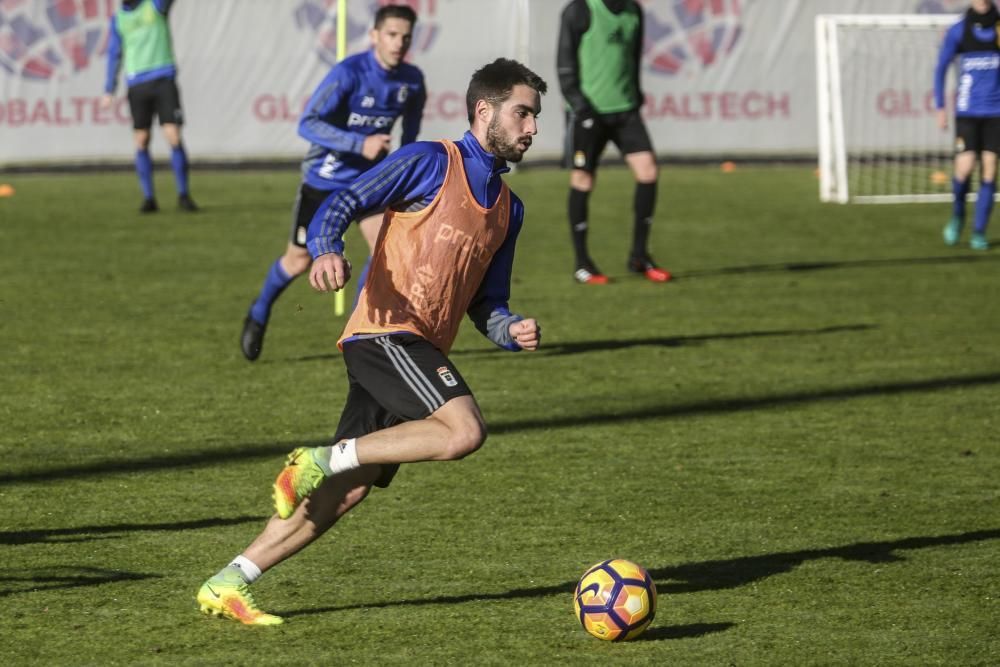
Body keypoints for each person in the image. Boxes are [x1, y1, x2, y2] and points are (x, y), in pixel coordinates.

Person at [196, 58, 546, 625]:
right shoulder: (431, 161)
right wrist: (328, 245)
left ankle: (230, 579)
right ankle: (314, 459)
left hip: (417, 349)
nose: (532, 128)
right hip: (385, 335)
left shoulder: (510, 209)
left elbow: (489, 304)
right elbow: (341, 201)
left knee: (348, 490)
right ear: (485, 111)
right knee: (464, 431)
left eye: (535, 117)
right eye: (522, 113)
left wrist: (511, 329)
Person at [240, 4, 426, 361]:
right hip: (324, 182)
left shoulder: (412, 80)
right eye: (391, 35)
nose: (399, 43)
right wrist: (360, 143)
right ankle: (259, 311)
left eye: (405, 36)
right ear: (373, 36)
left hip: (369, 184)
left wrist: (408, 173)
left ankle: (357, 333)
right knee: (297, 261)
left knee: (383, 250)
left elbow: (412, 136)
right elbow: (307, 123)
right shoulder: (348, 73)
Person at [557, 0, 670, 284]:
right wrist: (580, 106)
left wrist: (636, 92)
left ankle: (639, 255)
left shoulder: (634, 11)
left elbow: (633, 57)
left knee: (648, 171)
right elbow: (565, 65)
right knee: (582, 180)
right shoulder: (580, 10)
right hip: (588, 113)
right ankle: (582, 263)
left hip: (625, 111)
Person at [102, 0, 197, 213]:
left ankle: (183, 194)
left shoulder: (154, 7)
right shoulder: (118, 19)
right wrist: (109, 88)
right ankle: (149, 198)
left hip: (163, 78)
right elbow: (113, 54)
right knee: (142, 139)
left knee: (173, 135)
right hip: (137, 84)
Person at [935, 0, 1000, 251]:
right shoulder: (959, 30)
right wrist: (940, 106)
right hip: (968, 112)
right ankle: (958, 216)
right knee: (963, 169)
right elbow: (941, 67)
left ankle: (979, 231)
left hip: (996, 113)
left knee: (990, 169)